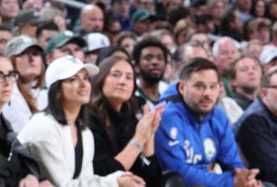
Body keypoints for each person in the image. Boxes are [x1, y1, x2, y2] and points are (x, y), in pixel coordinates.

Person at [17, 55, 145, 186]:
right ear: (57, 91)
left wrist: (120, 177)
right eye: (73, 79)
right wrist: (115, 182)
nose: (83, 84)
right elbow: (62, 185)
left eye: (85, 78)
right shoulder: (43, 126)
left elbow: (85, 180)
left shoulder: (85, 131)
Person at [154, 58, 260, 187]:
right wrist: (229, 181)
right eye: (199, 86)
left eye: (212, 87)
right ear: (182, 87)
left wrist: (245, 178)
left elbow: (233, 162)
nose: (207, 93)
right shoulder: (167, 117)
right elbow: (176, 170)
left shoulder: (218, 116)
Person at [86, 56, 165, 185]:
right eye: (116, 75)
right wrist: (139, 139)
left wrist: (149, 134)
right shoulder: (88, 116)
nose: (123, 81)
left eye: (129, 77)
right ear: (101, 80)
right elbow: (105, 174)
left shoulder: (131, 114)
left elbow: (151, 177)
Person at [0, 54, 50, 186]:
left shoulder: (4, 123)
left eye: (11, 74)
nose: (7, 81)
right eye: (0, 75)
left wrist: (31, 175)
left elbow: (22, 157)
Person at [4, 35, 47, 133]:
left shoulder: (45, 95)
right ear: (9, 61)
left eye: (35, 53)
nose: (31, 59)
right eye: (23, 53)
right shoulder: (6, 94)